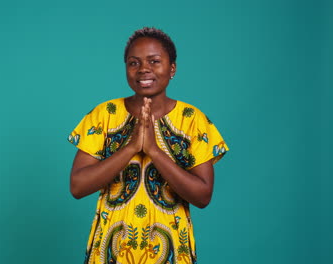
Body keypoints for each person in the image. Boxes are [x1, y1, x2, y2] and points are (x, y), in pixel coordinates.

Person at [67, 27, 229, 264]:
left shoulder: (193, 120)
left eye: (154, 61)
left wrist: (153, 150)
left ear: (172, 68)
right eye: (134, 63)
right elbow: (77, 187)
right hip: (111, 250)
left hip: (171, 249)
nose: (143, 69)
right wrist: (131, 147)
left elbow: (203, 196)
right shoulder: (103, 115)